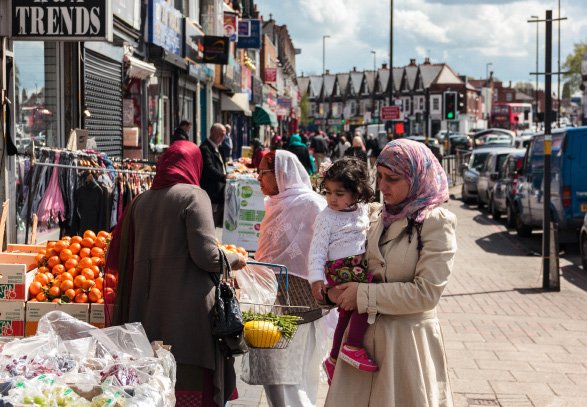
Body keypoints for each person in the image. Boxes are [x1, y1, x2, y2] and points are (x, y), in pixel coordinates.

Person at [105, 140, 248, 407]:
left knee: (155, 385)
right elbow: (207, 256)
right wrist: (235, 259)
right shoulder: (194, 195)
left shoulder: (140, 201)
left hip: (145, 311)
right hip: (188, 316)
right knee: (190, 384)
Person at [325, 138, 457, 406]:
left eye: (392, 179)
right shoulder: (374, 214)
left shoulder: (436, 222)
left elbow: (426, 294)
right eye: (380, 176)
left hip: (405, 348)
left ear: (416, 177)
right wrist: (331, 291)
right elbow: (353, 266)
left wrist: (362, 295)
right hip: (360, 347)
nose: (382, 186)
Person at [241, 149, 329, 407]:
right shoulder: (275, 204)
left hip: (302, 303)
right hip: (272, 301)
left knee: (292, 375)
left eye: (263, 172)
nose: (258, 178)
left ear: (282, 174)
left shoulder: (311, 204)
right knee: (274, 372)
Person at [307, 157, 376, 384]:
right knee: (366, 299)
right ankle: (353, 346)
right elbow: (316, 251)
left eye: (339, 193)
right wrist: (316, 280)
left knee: (347, 313)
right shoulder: (326, 217)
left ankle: (334, 358)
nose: (332, 199)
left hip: (358, 265)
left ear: (357, 193)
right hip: (341, 269)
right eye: (328, 192)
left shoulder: (363, 209)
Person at [200, 123, 228, 227]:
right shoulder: (205, 148)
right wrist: (224, 177)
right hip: (212, 192)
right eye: (220, 134)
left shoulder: (219, 148)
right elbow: (209, 169)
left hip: (219, 191)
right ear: (212, 132)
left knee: (216, 222)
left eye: (224, 134)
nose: (222, 137)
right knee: (210, 223)